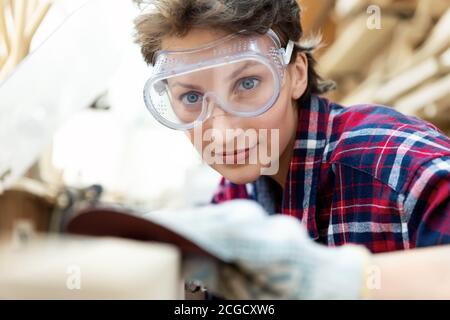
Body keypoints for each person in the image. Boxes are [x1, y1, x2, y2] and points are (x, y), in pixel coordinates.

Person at [133, 0, 450, 298]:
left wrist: (344, 279)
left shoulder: (393, 163)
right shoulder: (238, 193)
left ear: (296, 74)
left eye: (247, 84)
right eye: (191, 98)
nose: (224, 135)